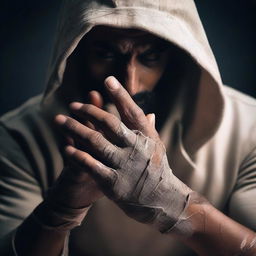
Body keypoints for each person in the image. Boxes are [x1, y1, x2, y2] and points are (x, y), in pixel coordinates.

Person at [0, 0, 256, 255]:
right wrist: (60, 209)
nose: (130, 85)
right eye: (106, 54)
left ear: (179, 54)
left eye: (150, 56)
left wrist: (174, 204)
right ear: (75, 50)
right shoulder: (19, 136)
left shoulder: (248, 129)